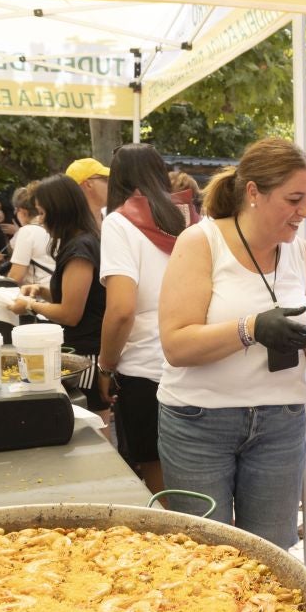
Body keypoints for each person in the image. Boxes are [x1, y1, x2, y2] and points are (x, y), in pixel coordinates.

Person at [159, 137, 306, 548]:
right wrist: (250, 328)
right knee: (203, 558)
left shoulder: (303, 253)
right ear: (253, 192)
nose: (304, 211)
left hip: (281, 422)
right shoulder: (201, 242)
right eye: (294, 199)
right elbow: (176, 345)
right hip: (199, 422)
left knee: (272, 556)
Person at [99, 145, 191, 492]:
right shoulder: (190, 218)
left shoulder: (119, 222)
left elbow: (121, 309)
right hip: (196, 363)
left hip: (145, 370)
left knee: (160, 484)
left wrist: (105, 367)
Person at [5, 175, 108, 383]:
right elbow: (73, 298)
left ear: (60, 210)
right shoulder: (77, 242)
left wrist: (30, 305)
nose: (40, 220)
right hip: (80, 348)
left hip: (86, 355)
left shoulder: (80, 248)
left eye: (43, 212)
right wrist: (41, 291)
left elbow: (70, 314)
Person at [6, 183, 58, 287]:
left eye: (16, 211)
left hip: (39, 292)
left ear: (23, 212)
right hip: (59, 288)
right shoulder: (56, 228)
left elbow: (16, 276)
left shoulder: (27, 231)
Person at [66, 156, 111, 225]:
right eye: (106, 179)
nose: (111, 184)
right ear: (88, 184)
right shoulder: (71, 227)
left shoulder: (112, 218)